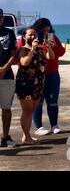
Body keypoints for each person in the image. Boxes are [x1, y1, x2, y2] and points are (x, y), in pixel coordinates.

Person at [16, 27, 55, 145]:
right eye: (30, 35)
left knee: (31, 110)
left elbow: (51, 57)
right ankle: (26, 137)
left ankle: (26, 136)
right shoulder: (23, 49)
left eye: (34, 35)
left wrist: (48, 46)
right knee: (26, 111)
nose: (33, 37)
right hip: (25, 84)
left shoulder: (39, 49)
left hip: (37, 84)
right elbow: (24, 62)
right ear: (24, 37)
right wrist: (32, 49)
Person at [31, 18, 66, 136]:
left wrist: (53, 45)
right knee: (38, 102)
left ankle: (54, 125)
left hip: (52, 73)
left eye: (48, 29)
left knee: (52, 101)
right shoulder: (32, 38)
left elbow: (61, 52)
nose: (47, 31)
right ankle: (39, 126)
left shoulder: (52, 37)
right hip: (36, 74)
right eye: (44, 29)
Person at [0, 8, 17, 148]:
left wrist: (4, 68)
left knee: (6, 108)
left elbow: (13, 54)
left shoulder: (9, 33)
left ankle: (5, 137)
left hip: (7, 76)